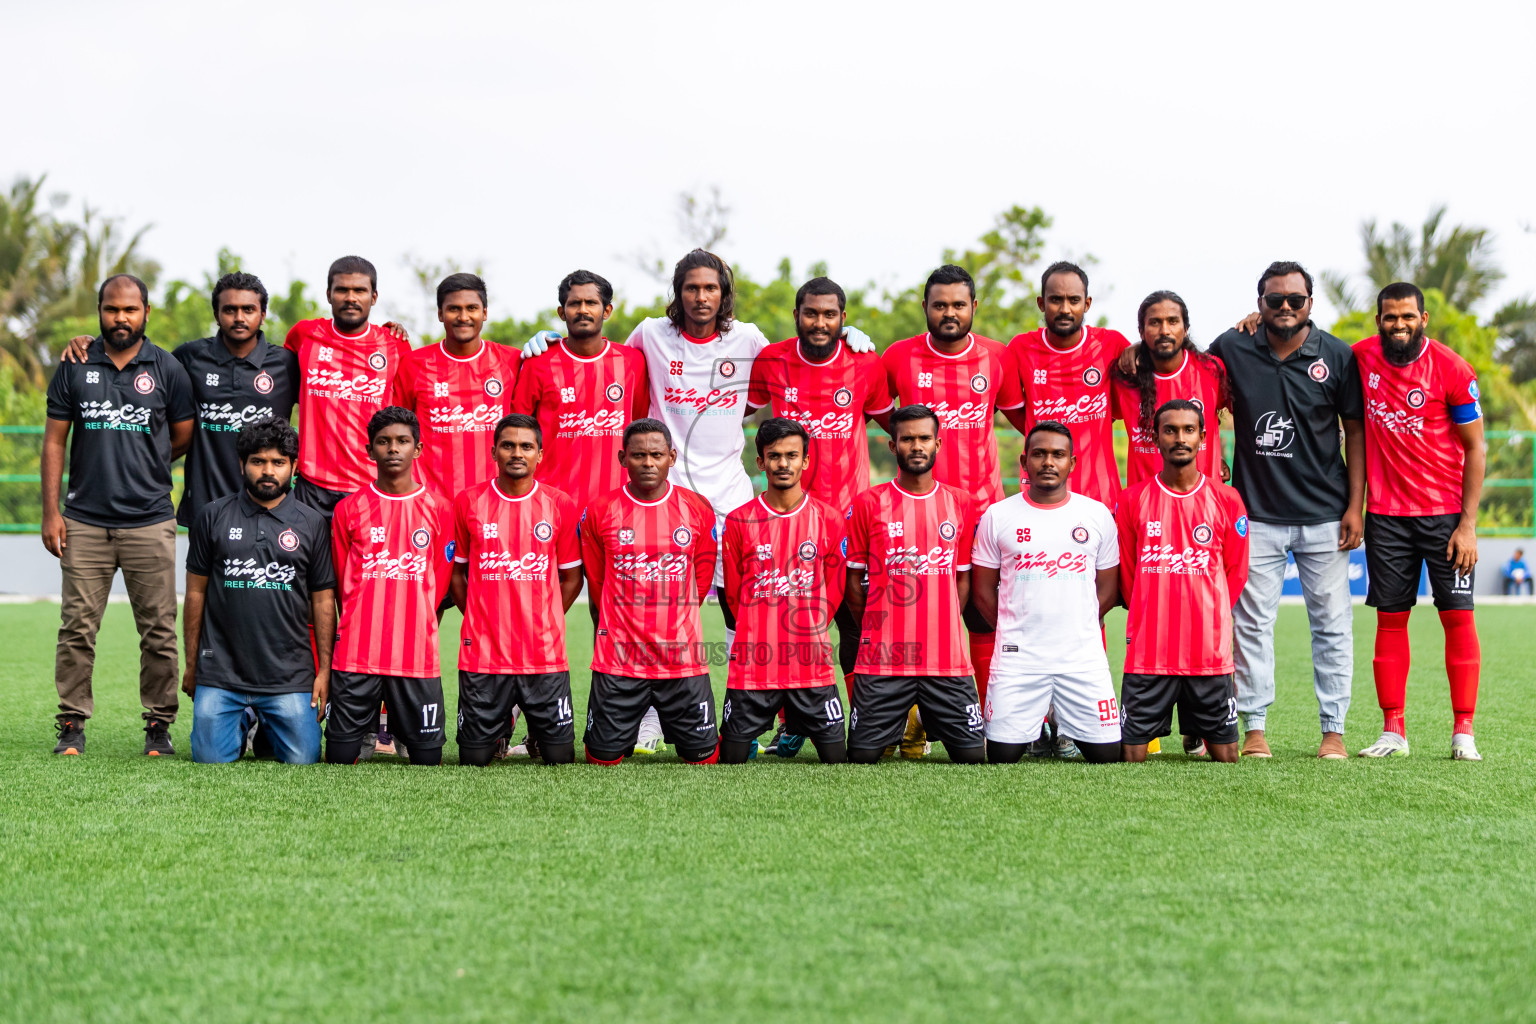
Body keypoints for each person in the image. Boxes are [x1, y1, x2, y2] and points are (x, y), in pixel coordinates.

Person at [524, 249, 871, 754]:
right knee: (641, 605)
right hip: (662, 498)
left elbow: (800, 365)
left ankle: (747, 717)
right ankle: (644, 720)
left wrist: (849, 340)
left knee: (745, 611)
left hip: (730, 497)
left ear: (723, 293)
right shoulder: (649, 335)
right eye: (692, 288)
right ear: (678, 292)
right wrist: (544, 342)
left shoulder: (750, 340)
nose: (701, 297)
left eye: (710, 288)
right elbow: (599, 360)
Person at [1207, 261, 1365, 760]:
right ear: (1259, 304)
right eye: (1274, 300)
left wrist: (1355, 506)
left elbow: (1355, 432)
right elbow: (1189, 385)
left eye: (1295, 300)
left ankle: (1334, 730)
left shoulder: (1336, 355)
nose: (1285, 308)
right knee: (1251, 625)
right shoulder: (1232, 347)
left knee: (1333, 625)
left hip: (1325, 515)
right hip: (1255, 515)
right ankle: (1254, 727)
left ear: (1310, 305)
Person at [43, 274, 195, 756]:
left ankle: (158, 724)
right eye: (112, 309)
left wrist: (145, 462)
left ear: (146, 312)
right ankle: (71, 722)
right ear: (100, 311)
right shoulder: (74, 364)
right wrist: (52, 512)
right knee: (77, 627)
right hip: (85, 519)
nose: (121, 318)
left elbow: (183, 435)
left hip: (150, 519)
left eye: (130, 309)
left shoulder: (167, 368)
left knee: (157, 628)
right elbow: (53, 441)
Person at [881, 266, 1027, 754]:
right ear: (925, 307)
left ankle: (982, 721)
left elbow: (1026, 420)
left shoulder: (998, 358)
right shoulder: (898, 357)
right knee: (912, 615)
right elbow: (881, 414)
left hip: (983, 512)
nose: (949, 313)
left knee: (982, 616)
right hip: (914, 514)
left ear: (973, 307)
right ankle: (906, 718)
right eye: (940, 305)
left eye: (958, 305)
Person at [746, 276, 892, 754]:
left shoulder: (865, 363)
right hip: (786, 516)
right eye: (811, 313)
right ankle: (792, 726)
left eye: (830, 314)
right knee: (791, 621)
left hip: (849, 516)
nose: (820, 322)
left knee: (855, 621)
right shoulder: (771, 360)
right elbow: (734, 413)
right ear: (796, 316)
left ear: (843, 319)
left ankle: (869, 725)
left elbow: (895, 424)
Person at [1353, 283, 1487, 761]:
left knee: (1457, 618)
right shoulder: (1361, 358)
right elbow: (1309, 355)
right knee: (1390, 621)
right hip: (1386, 518)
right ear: (1378, 321)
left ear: (1423, 319)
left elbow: (1476, 447)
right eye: (1390, 317)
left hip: (1446, 517)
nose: (1398, 325)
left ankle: (1463, 733)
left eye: (1407, 316)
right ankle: (1393, 731)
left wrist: (1467, 524)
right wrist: (1253, 322)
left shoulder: (1452, 368)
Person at [60, 271, 301, 526]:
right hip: (206, 508)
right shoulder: (189, 357)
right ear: (216, 315)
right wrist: (92, 344)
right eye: (230, 309)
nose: (239, 317)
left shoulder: (286, 365)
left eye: (249, 310)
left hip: (272, 506)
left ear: (263, 315)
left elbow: (320, 415)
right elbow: (136, 368)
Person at [183, 418, 336, 763]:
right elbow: (195, 595)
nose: (268, 471)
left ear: (294, 467)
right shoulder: (212, 516)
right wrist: (192, 665)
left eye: (278, 462)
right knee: (209, 759)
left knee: (303, 759)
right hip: (222, 674)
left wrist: (324, 671)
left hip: (288, 676)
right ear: (242, 464)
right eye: (258, 461)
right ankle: (243, 721)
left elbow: (324, 600)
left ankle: (265, 723)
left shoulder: (311, 523)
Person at [970, 421, 1123, 763]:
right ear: (1024, 462)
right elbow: (981, 592)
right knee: (1001, 756)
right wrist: (1015, 627)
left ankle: (1059, 721)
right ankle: (1035, 727)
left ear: (1073, 462)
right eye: (1039, 454)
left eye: (1058, 454)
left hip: (1081, 655)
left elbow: (1109, 588)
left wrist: (1077, 624)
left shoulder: (1096, 515)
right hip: (1019, 657)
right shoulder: (999, 515)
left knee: (1108, 755)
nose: (1048, 462)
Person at [843, 405, 986, 764]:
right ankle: (900, 719)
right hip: (883, 661)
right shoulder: (868, 504)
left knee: (972, 758)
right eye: (907, 439)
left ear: (938, 443)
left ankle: (919, 719)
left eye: (924, 438)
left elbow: (962, 578)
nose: (916, 445)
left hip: (947, 661)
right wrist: (878, 627)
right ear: (893, 446)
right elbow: (854, 583)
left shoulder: (961, 503)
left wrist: (948, 620)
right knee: (861, 756)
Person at [1114, 400, 1250, 763]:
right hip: (1148, 655)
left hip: (1209, 654)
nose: (1180, 438)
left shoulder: (1228, 499)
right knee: (1131, 757)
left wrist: (1213, 613)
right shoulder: (1132, 500)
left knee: (1227, 757)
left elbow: (1236, 571)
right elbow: (1128, 574)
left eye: (1189, 430)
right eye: (1170, 430)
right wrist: (1147, 612)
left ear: (1203, 438)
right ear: (1156, 438)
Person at [579, 418, 720, 764]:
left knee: (703, 757)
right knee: (602, 758)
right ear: (622, 458)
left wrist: (678, 616)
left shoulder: (697, 509)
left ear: (671, 457)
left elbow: (701, 576)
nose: (648, 463)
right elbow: (597, 581)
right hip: (619, 660)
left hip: (682, 660)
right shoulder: (600, 510)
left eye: (656, 454)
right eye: (638, 455)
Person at [450, 414, 582, 766]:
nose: (517, 453)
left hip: (544, 653)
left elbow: (572, 578)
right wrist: (479, 615)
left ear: (540, 454)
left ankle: (538, 731)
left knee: (560, 758)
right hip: (484, 655)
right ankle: (499, 726)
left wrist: (546, 615)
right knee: (473, 759)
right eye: (508, 445)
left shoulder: (560, 504)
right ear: (494, 452)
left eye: (527, 446)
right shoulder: (468, 502)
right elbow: (457, 574)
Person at [325, 407, 451, 765]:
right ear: (370, 451)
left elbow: (439, 586)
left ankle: (405, 733)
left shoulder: (440, 509)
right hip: (355, 655)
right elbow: (341, 580)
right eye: (383, 442)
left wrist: (422, 625)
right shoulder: (348, 509)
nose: (392, 449)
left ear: (418, 449)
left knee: (428, 760)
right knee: (339, 757)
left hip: (416, 657)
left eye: (402, 441)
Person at [719, 418, 849, 764]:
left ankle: (798, 723)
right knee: (730, 758)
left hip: (811, 664)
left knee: (836, 758)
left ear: (805, 461)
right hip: (753, 664)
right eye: (774, 456)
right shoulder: (738, 521)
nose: (783, 464)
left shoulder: (830, 519)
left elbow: (835, 588)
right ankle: (776, 725)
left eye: (792, 455)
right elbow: (734, 594)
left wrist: (812, 623)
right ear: (760, 462)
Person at [511, 270, 650, 517]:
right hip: (550, 508)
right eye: (574, 303)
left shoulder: (632, 362)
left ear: (606, 310)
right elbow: (517, 433)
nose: (583, 310)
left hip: (617, 508)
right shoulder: (538, 363)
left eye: (591, 303)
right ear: (562, 312)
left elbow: (638, 426)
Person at [285, 255, 412, 517]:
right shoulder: (304, 335)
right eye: (342, 289)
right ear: (329, 294)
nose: (350, 297)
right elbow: (282, 393)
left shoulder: (394, 344)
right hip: (311, 486)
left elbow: (407, 413)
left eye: (360, 291)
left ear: (373, 297)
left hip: (369, 485)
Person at [390, 273, 518, 509]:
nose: (463, 317)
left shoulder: (512, 361)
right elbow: (395, 432)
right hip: (430, 505)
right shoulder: (414, 364)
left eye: (472, 308)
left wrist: (549, 339)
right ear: (440, 314)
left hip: (495, 504)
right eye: (453, 309)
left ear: (485, 313)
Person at [1008, 261, 1130, 507]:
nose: (1065, 308)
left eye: (1074, 300)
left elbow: (1127, 403)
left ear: (1087, 304)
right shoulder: (1021, 349)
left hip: (1100, 496)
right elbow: (1012, 408)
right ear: (1041, 303)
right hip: (1039, 493)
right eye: (1055, 300)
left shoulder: (1112, 345)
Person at [1111, 290, 1227, 487]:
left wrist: (1218, 459)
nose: (1165, 330)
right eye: (1155, 322)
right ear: (1141, 331)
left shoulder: (1212, 370)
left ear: (1186, 328)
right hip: (1146, 508)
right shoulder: (1125, 377)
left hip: (1204, 506)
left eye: (1173, 321)